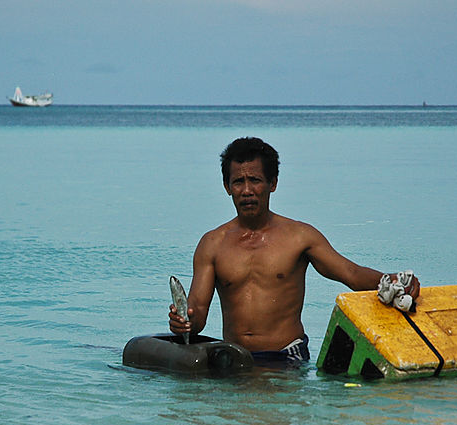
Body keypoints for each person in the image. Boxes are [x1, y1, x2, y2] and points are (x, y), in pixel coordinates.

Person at [169, 137, 419, 366]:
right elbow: (197, 316)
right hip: (237, 360)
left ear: (272, 183)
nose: (247, 190)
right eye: (238, 182)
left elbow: (350, 273)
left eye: (255, 180)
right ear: (227, 187)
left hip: (287, 357)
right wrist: (183, 324)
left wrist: (391, 280)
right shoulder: (212, 244)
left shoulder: (299, 237)